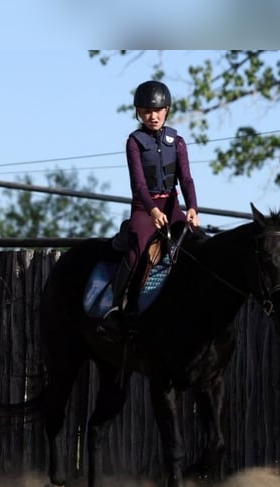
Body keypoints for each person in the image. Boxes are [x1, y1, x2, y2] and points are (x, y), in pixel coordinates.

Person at [99, 80, 201, 337]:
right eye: (146, 111)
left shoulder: (177, 141)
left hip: (173, 205)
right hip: (145, 208)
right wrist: (153, 211)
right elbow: (139, 184)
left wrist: (192, 208)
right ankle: (118, 309)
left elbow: (186, 179)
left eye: (157, 110)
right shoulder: (134, 141)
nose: (152, 116)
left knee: (196, 245)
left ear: (167, 110)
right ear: (138, 113)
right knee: (136, 254)